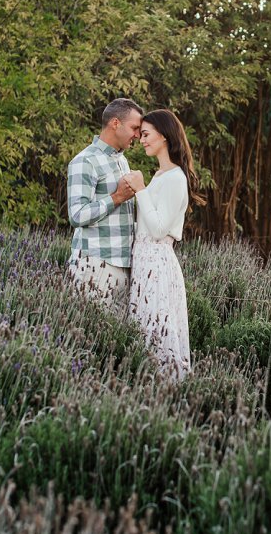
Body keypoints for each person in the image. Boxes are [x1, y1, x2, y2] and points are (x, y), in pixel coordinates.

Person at [124, 109, 205, 380]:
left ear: (164, 136)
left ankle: (168, 394)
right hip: (144, 262)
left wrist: (140, 190)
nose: (142, 140)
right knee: (143, 330)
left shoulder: (175, 178)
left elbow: (159, 229)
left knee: (157, 330)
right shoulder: (160, 175)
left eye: (146, 135)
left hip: (158, 264)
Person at [66, 98, 143, 315]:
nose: (137, 135)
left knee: (116, 342)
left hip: (124, 266)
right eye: (134, 128)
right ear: (115, 123)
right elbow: (77, 215)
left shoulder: (122, 160)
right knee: (90, 338)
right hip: (96, 266)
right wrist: (116, 197)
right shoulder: (85, 161)